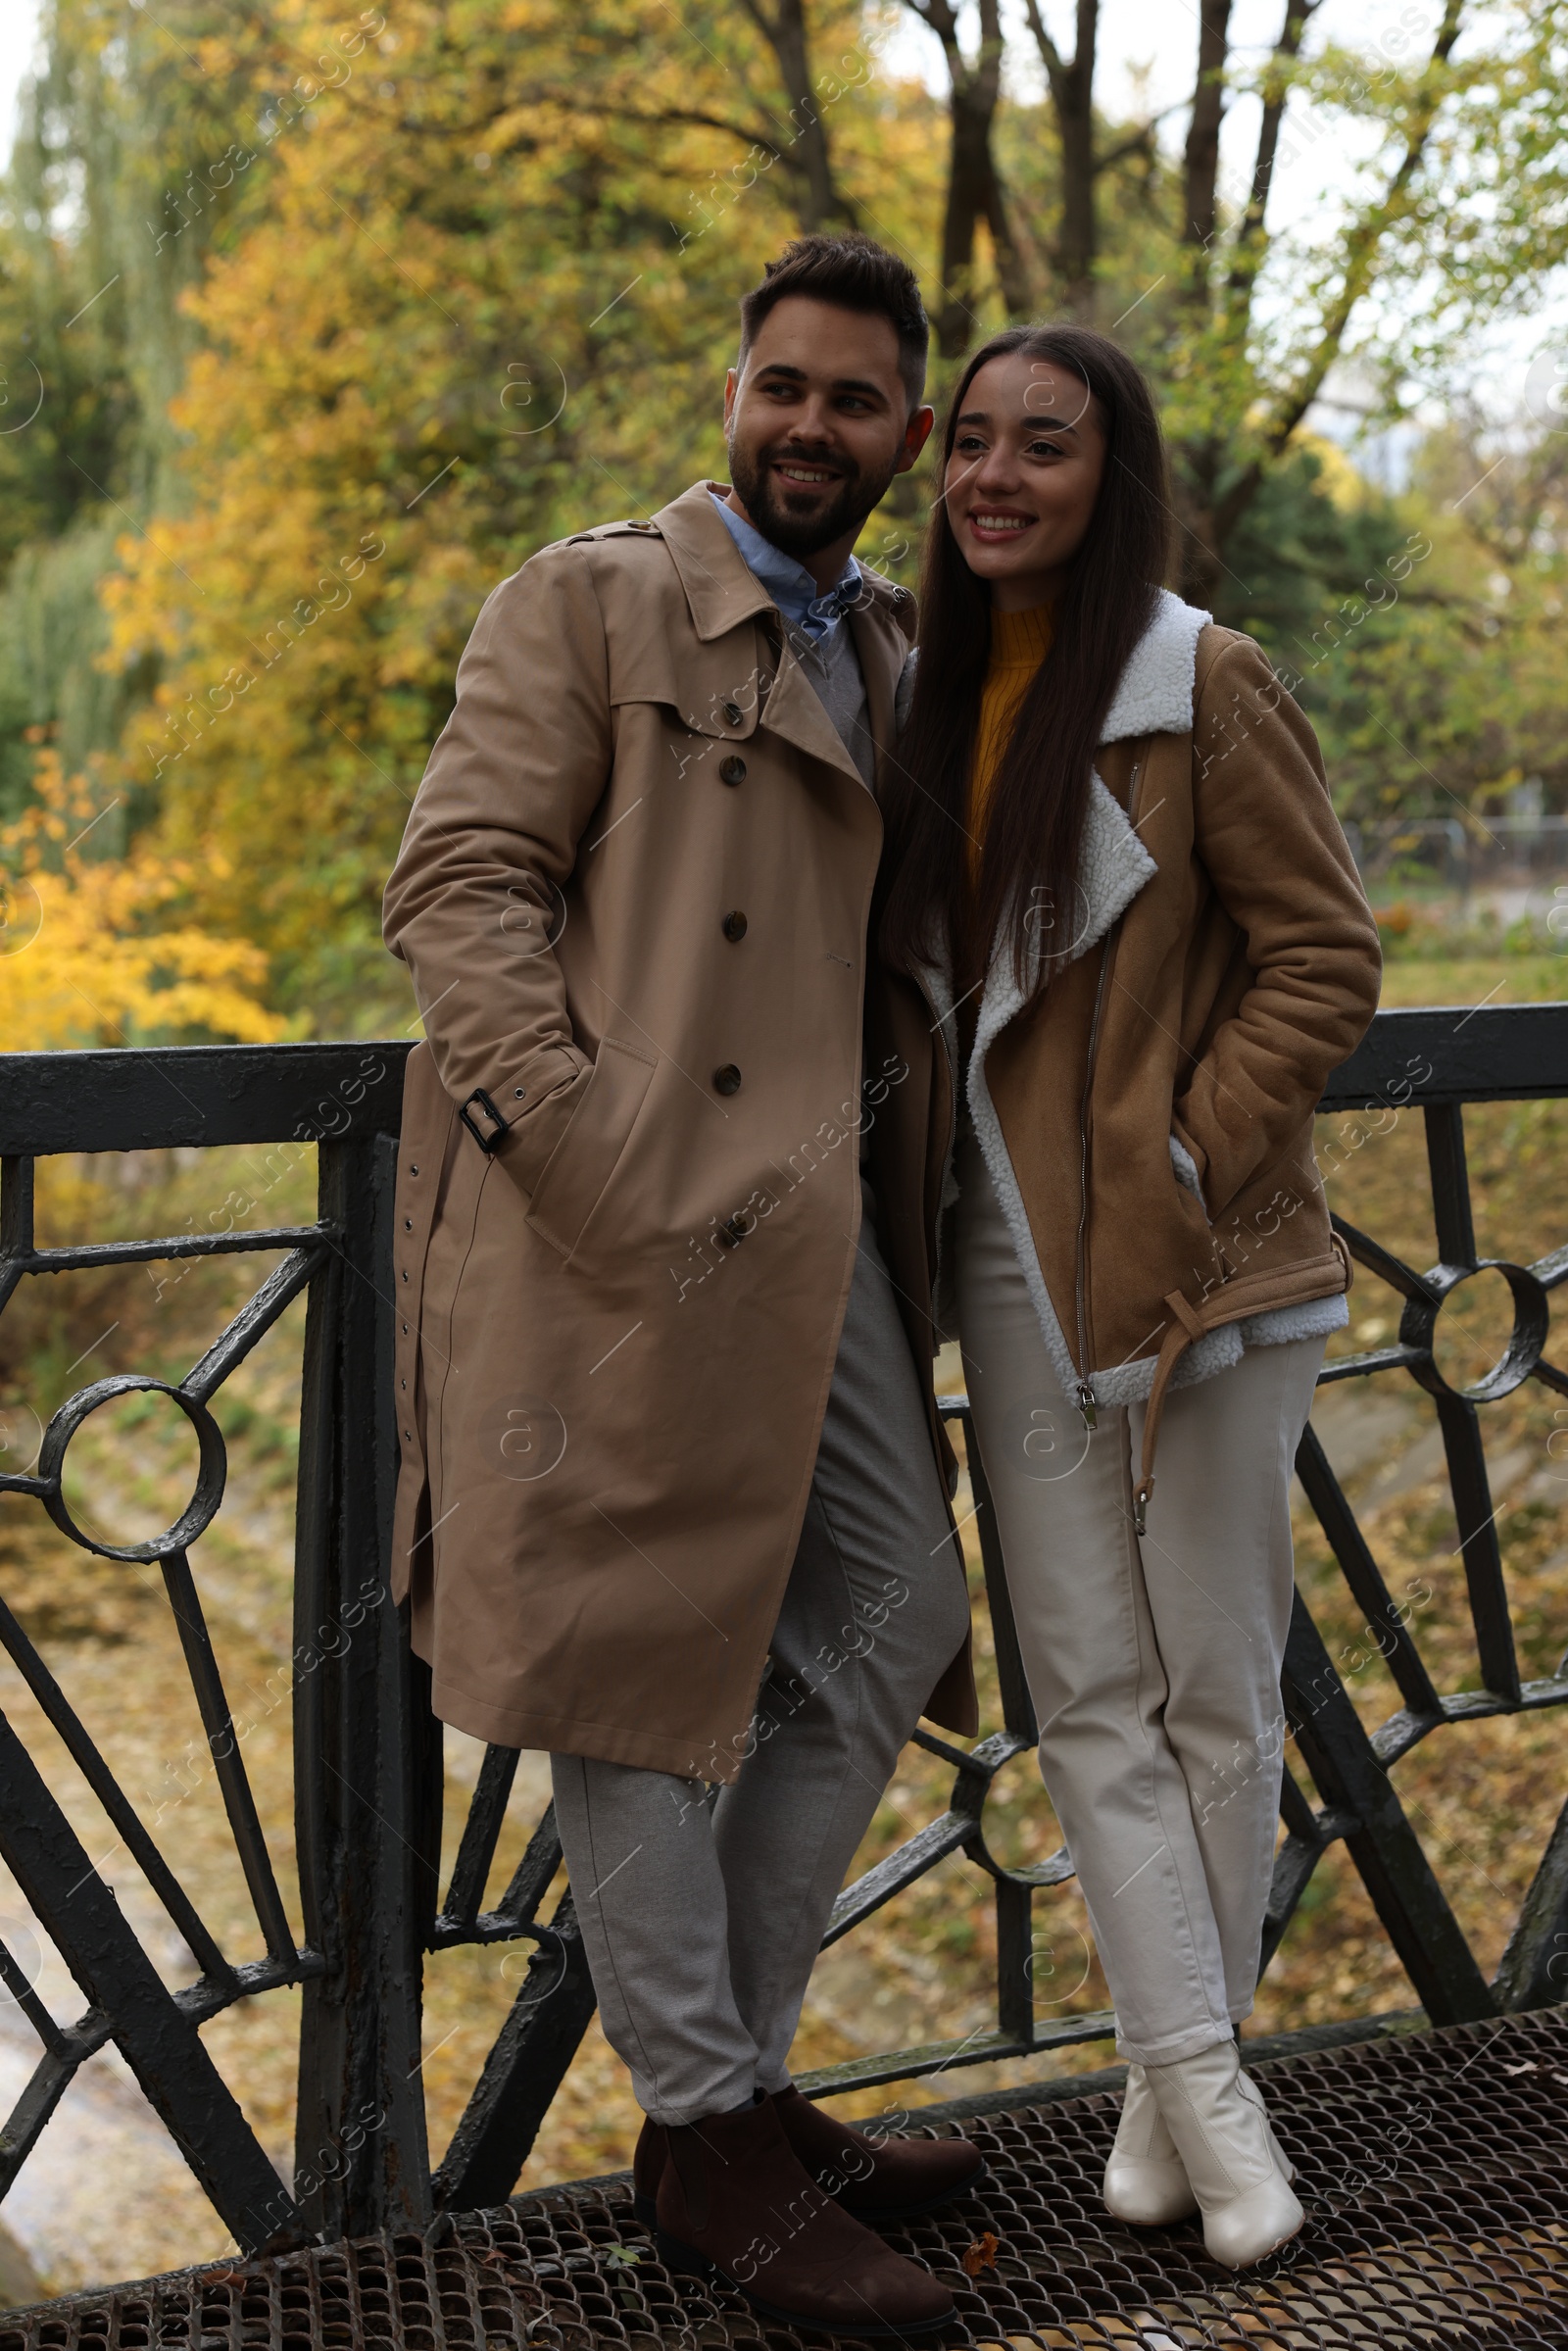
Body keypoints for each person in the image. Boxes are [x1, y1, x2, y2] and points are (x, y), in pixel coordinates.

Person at [380, 233, 985, 2336]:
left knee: (900, 1604)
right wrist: (596, 1158)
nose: (806, 425)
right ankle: (712, 2122)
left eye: (849, 401)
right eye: (778, 386)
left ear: (903, 439)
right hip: (621, 1245)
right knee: (633, 1679)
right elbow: (456, 886)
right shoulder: (593, 598)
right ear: (730, 395)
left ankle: (716, 2097)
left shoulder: (900, 648)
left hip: (814, 1236)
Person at [876, 324, 1381, 2270]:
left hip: (1191, 1279)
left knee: (1211, 1693)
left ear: (1113, 474)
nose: (995, 476)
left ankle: (1185, 2103)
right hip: (1003, 1271)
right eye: (973, 444)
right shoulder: (915, 701)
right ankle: (1201, 2095)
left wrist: (1186, 1154)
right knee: (1084, 1696)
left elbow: (1322, 955)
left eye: (1044, 446)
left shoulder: (1198, 684)